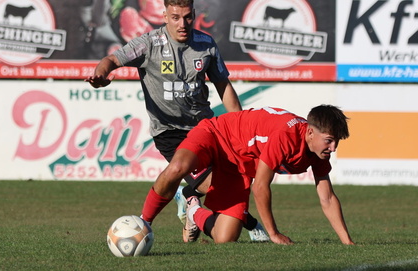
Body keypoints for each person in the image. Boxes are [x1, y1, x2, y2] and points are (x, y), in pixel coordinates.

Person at [84, 0, 268, 242]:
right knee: (212, 185)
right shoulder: (148, 44)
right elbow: (111, 60)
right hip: (169, 130)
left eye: (187, 17)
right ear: (165, 16)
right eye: (175, 17)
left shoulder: (206, 44)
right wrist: (101, 75)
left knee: (236, 180)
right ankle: (168, 214)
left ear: (193, 15)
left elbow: (223, 86)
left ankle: (191, 203)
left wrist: (241, 126)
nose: (182, 24)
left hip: (205, 128)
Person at [140, 105, 355, 245]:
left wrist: (347, 243)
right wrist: (273, 234)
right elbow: (260, 187)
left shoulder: (319, 151)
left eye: (336, 142)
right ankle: (142, 224)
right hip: (215, 134)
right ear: (310, 132)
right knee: (178, 166)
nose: (334, 148)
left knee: (225, 238)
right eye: (329, 140)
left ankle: (193, 209)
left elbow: (326, 196)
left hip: (237, 166)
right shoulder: (286, 136)